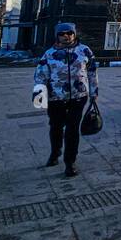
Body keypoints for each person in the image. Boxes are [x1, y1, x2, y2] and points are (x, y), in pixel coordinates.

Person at [33, 22, 98, 177]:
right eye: (62, 33)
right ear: (57, 36)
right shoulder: (49, 54)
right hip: (56, 98)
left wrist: (94, 92)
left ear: (74, 34)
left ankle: (70, 162)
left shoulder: (84, 51)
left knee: (72, 130)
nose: (66, 36)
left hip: (78, 97)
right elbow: (40, 76)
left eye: (69, 33)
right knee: (55, 127)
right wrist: (39, 99)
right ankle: (55, 153)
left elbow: (92, 72)